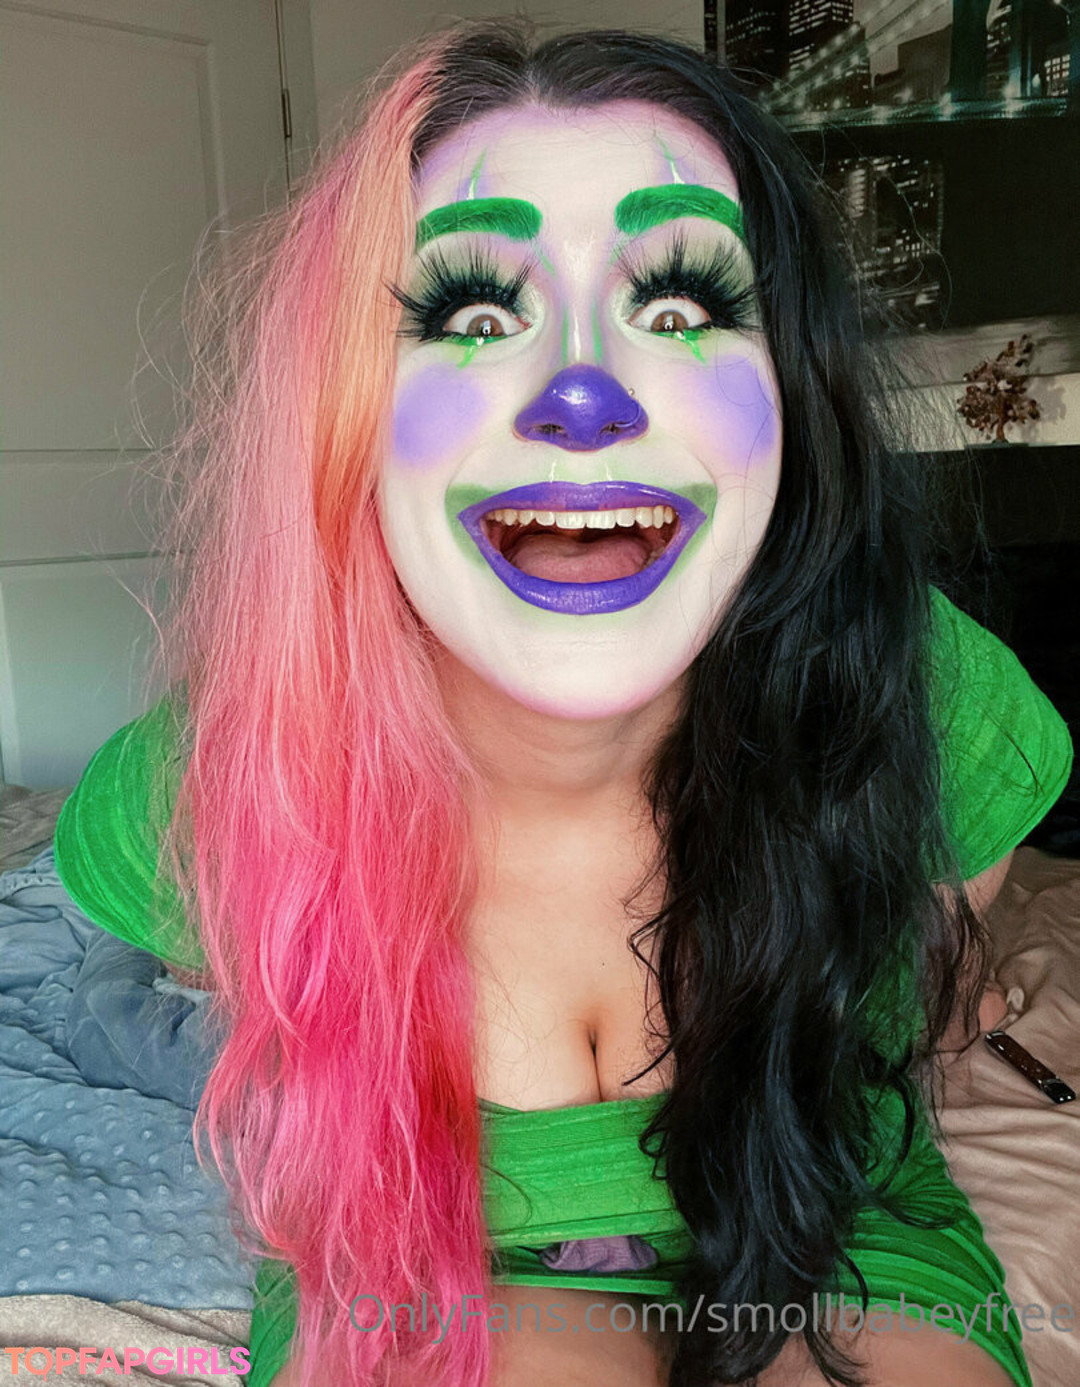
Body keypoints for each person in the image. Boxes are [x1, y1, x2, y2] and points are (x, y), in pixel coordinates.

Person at [53, 21, 1073, 1387]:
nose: (583, 398)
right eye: (475, 314)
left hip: (839, 1230)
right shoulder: (203, 789)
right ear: (339, 405)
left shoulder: (920, 691)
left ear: (793, 391)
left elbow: (940, 942)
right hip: (427, 1261)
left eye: (681, 307)